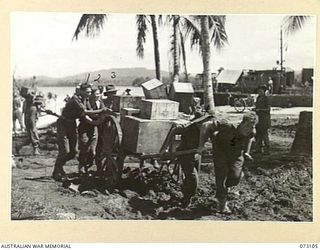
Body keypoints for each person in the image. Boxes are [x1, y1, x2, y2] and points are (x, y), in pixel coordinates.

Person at [197, 112, 256, 213]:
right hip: (221, 151)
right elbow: (205, 125)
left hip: (236, 153)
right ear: (241, 123)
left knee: (235, 177)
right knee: (222, 177)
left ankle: (226, 190)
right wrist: (201, 145)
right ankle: (222, 204)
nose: (248, 129)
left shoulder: (252, 131)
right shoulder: (228, 125)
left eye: (251, 127)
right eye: (246, 126)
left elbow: (249, 139)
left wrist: (247, 152)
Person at [52, 84, 107, 181]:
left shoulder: (85, 99)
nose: (89, 94)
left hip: (72, 123)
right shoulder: (75, 99)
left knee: (74, 152)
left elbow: (87, 111)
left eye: (90, 92)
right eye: (87, 92)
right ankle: (57, 170)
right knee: (65, 150)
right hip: (63, 123)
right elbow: (85, 111)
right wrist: (102, 111)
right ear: (81, 91)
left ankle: (59, 167)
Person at [254, 85, 271, 154]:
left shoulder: (266, 99)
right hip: (258, 118)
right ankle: (259, 149)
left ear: (264, 91)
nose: (259, 92)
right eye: (258, 91)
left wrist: (260, 110)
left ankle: (267, 149)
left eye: (261, 91)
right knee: (258, 134)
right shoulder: (258, 98)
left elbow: (268, 109)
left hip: (264, 119)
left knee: (264, 134)